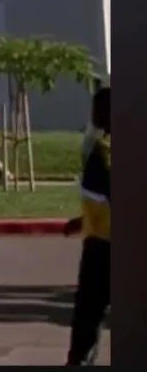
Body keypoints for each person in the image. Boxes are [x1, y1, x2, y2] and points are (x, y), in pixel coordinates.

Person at [65, 86, 110, 366]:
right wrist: (82, 220)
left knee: (88, 312)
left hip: (103, 246)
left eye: (98, 109)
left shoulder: (104, 151)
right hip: (99, 235)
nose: (93, 115)